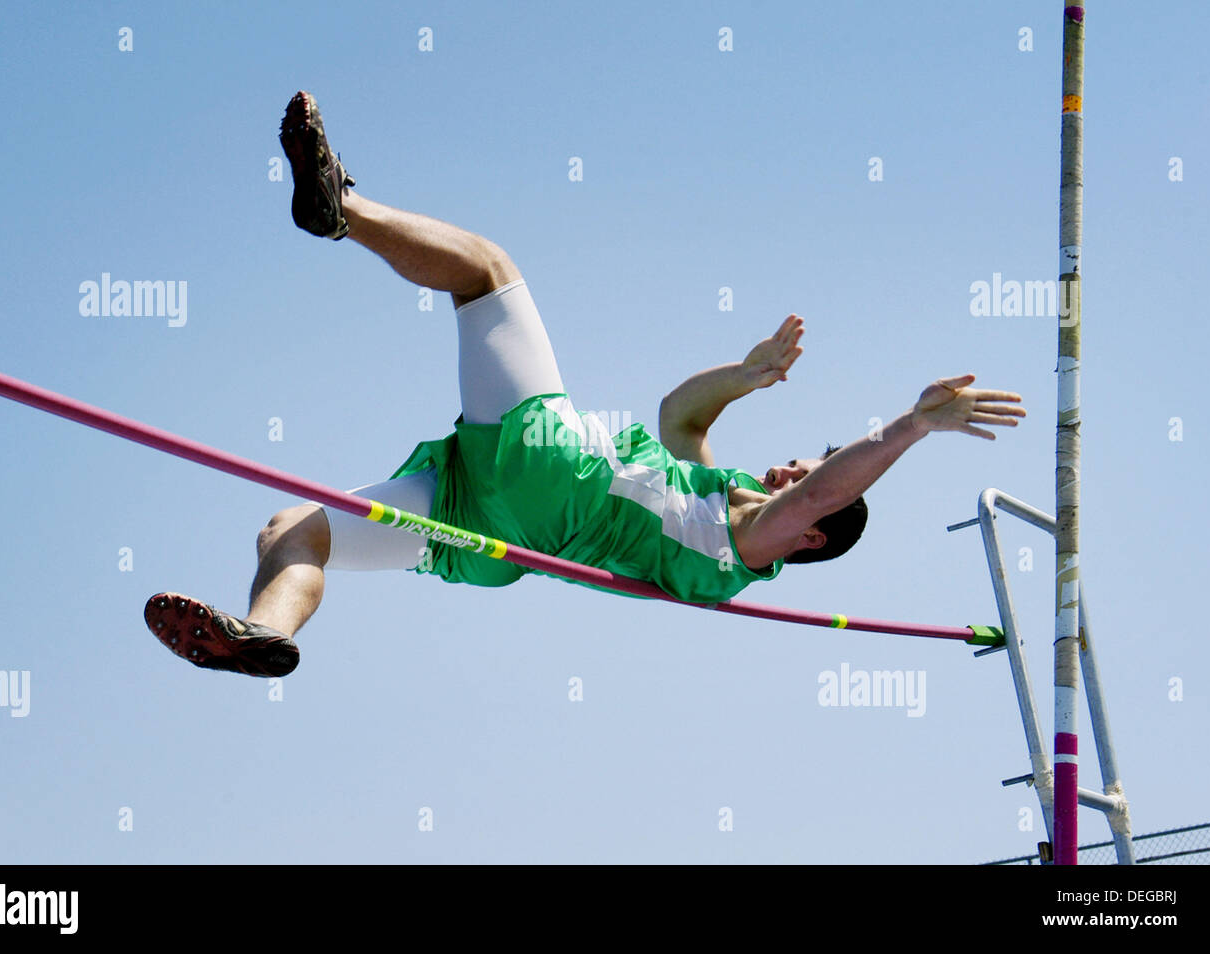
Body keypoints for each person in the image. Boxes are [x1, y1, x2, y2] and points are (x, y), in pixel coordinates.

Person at [143, 91, 1026, 678]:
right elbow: (680, 412)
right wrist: (748, 377)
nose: (797, 466)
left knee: (486, 272)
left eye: (809, 477)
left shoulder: (747, 543)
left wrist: (910, 428)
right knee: (292, 530)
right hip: (481, 528)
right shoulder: (703, 506)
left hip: (554, 474)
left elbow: (830, 490)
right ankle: (267, 634)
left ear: (806, 543)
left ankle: (345, 208)